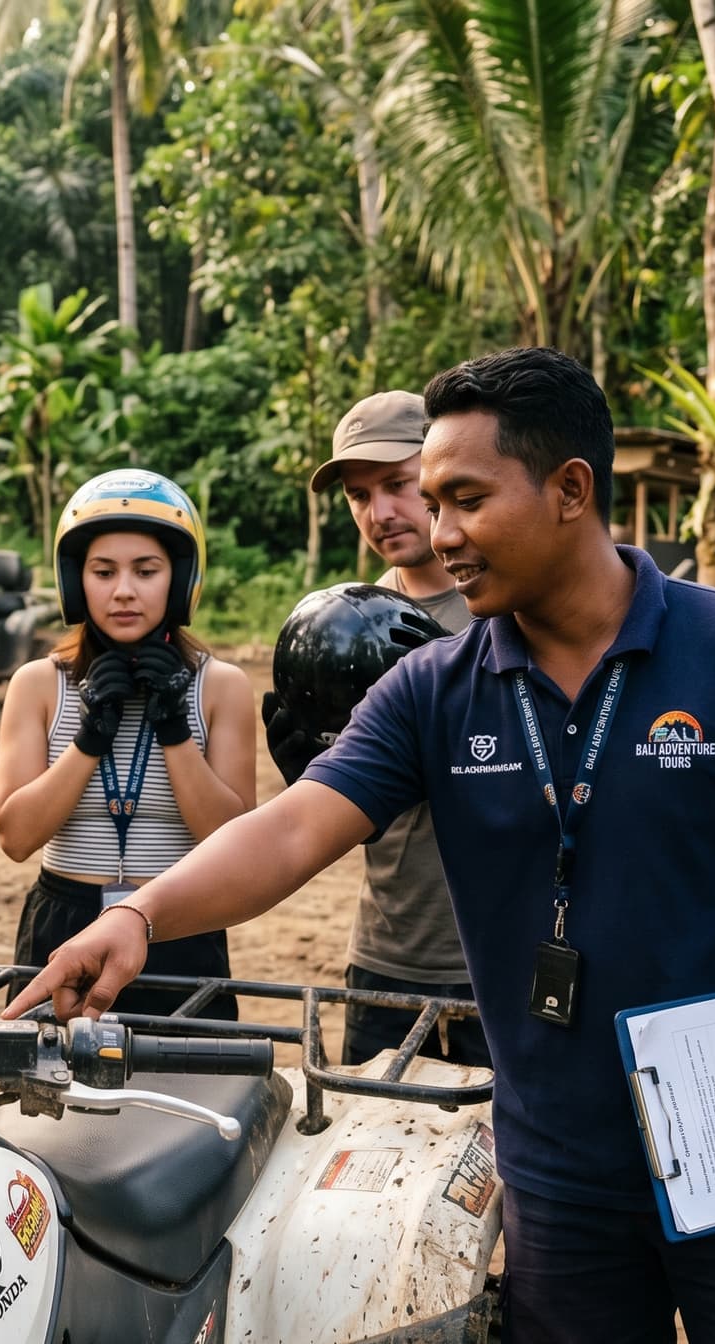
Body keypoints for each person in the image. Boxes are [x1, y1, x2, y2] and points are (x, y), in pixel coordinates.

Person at [11, 348, 715, 1344]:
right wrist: (135, 912)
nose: (436, 532)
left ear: (571, 490)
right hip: (556, 1149)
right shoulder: (434, 688)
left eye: (465, 499)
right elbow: (286, 833)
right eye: (428, 501)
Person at [264, 390, 488, 1066]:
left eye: (396, 483)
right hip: (385, 953)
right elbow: (336, 824)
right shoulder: (345, 631)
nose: (379, 512)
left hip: (500, 957)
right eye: (359, 495)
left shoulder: (506, 607)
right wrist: (313, 784)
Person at [0, 468, 255, 1017]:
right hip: (65, 919)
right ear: (75, 581)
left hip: (180, 922)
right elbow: (16, 837)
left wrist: (174, 728)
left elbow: (233, 845)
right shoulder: (39, 684)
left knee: (184, 1092)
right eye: (103, 571)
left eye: (146, 570)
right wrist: (90, 738)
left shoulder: (221, 686)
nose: (124, 590)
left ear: (179, 579)